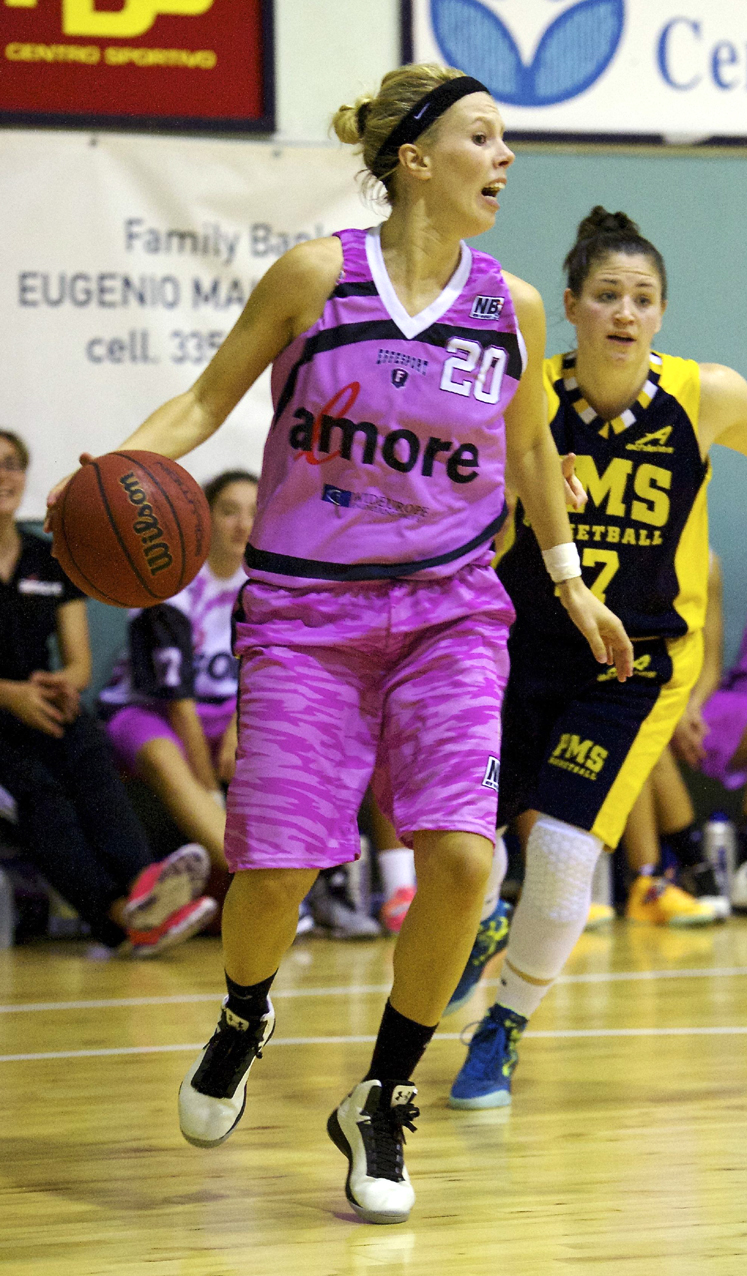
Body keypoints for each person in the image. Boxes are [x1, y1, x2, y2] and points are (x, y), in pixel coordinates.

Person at [48, 68, 630, 1224]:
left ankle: (382, 1095)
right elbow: (209, 403)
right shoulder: (320, 277)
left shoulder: (510, 305)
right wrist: (110, 474)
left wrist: (569, 585)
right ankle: (243, 1015)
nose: (506, 156)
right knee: (274, 873)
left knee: (466, 860)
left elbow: (530, 458)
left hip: (452, 612)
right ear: (416, 159)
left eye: (506, 137)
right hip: (308, 617)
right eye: (483, 136)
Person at [448, 206, 747, 1110]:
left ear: (660, 315)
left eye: (642, 299)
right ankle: (478, 918)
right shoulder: (522, 393)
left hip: (635, 667)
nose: (624, 311)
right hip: (512, 647)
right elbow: (440, 482)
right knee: (465, 849)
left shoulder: (705, 395)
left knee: (567, 859)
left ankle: (504, 1024)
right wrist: (507, 478)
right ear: (571, 306)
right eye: (607, 295)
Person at [0, 428, 216, 955]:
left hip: (41, 708)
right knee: (39, 791)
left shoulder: (46, 556)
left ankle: (146, 887)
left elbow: (78, 662)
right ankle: (120, 920)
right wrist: (9, 696)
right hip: (7, 714)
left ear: (26, 475)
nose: (3, 475)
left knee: (88, 746)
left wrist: (63, 685)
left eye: (11, 463)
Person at [99, 470, 260, 878]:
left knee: (287, 729)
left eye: (254, 513)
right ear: (203, 520)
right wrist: (211, 797)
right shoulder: (168, 587)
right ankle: (252, 880)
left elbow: (266, 676)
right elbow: (179, 709)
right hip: (146, 709)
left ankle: (319, 875)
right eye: (229, 511)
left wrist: (241, 725)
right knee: (161, 753)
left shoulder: (265, 585)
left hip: (225, 710)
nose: (243, 524)